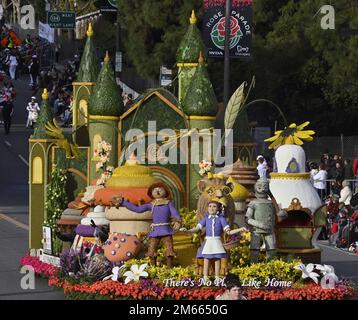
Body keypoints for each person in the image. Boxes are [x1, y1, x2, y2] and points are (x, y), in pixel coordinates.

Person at [182, 201, 247, 279]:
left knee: (217, 258)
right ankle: (205, 277)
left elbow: (229, 232)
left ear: (218, 208)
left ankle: (217, 277)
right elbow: (197, 228)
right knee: (206, 258)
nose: (211, 208)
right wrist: (187, 230)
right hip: (208, 242)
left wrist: (240, 229)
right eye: (210, 206)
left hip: (217, 241)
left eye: (214, 206)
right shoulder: (205, 219)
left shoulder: (221, 219)